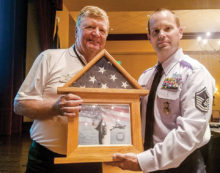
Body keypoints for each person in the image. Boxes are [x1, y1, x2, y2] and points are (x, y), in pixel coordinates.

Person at [108, 8, 215, 172]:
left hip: (184, 165)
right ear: (149, 37)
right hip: (150, 163)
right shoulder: (145, 77)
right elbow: (132, 118)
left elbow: (191, 133)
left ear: (179, 32)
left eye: (168, 28)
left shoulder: (194, 73)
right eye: (155, 31)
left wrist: (144, 162)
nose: (161, 35)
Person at [14, 6, 109, 173]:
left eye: (102, 30)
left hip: (90, 159)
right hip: (45, 159)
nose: (96, 33)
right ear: (76, 31)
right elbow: (20, 105)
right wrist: (55, 107)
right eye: (89, 27)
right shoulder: (49, 58)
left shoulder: (109, 72)